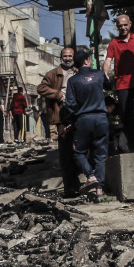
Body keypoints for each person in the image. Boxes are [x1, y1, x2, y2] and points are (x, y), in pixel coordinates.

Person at [64, 47, 110, 198]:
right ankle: (100, 190)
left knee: (78, 152)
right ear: (86, 61)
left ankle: (90, 176)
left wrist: (70, 121)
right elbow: (109, 86)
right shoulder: (99, 74)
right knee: (100, 154)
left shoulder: (73, 81)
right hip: (101, 119)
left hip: (83, 120)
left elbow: (70, 104)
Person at [37, 46, 81, 197]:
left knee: (80, 150)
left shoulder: (78, 71)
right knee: (65, 152)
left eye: (70, 56)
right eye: (65, 56)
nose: (68, 58)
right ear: (61, 57)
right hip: (62, 115)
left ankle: (84, 183)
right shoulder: (53, 73)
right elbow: (41, 88)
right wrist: (57, 94)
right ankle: (70, 187)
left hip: (79, 115)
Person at [103, 13, 134, 150]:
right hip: (122, 84)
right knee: (127, 116)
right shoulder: (114, 43)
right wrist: (105, 73)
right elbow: (108, 60)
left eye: (125, 25)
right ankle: (133, 145)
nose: (123, 28)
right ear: (117, 27)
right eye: (120, 26)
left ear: (130, 24)